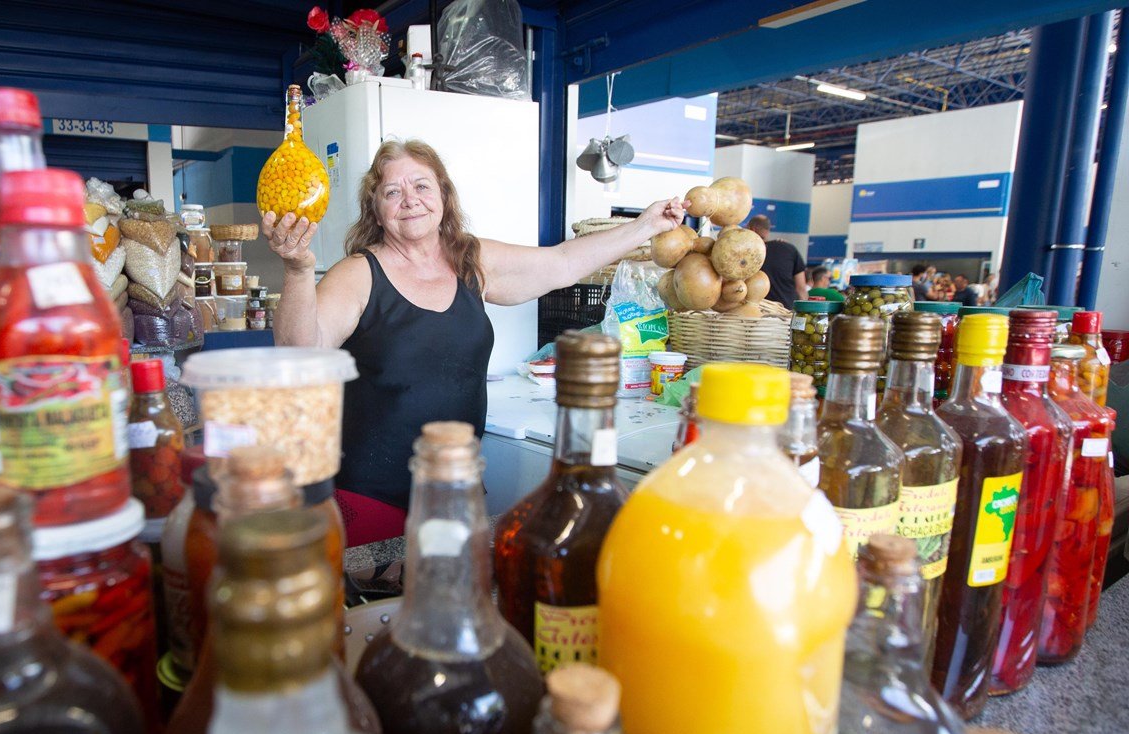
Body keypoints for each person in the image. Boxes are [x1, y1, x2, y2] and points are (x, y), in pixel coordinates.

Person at [265, 139, 687, 546]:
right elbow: (301, 354)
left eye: (422, 186)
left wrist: (646, 226)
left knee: (455, 606)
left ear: (444, 197)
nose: (410, 199)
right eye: (392, 191)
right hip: (370, 492)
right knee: (377, 617)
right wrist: (299, 271)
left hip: (456, 488)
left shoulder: (472, 261)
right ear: (375, 210)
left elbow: (563, 263)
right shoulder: (358, 273)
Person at [744, 214, 806, 308]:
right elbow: (801, 288)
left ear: (752, 229)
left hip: (757, 313)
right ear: (768, 230)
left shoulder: (745, 254)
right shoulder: (789, 249)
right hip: (787, 312)